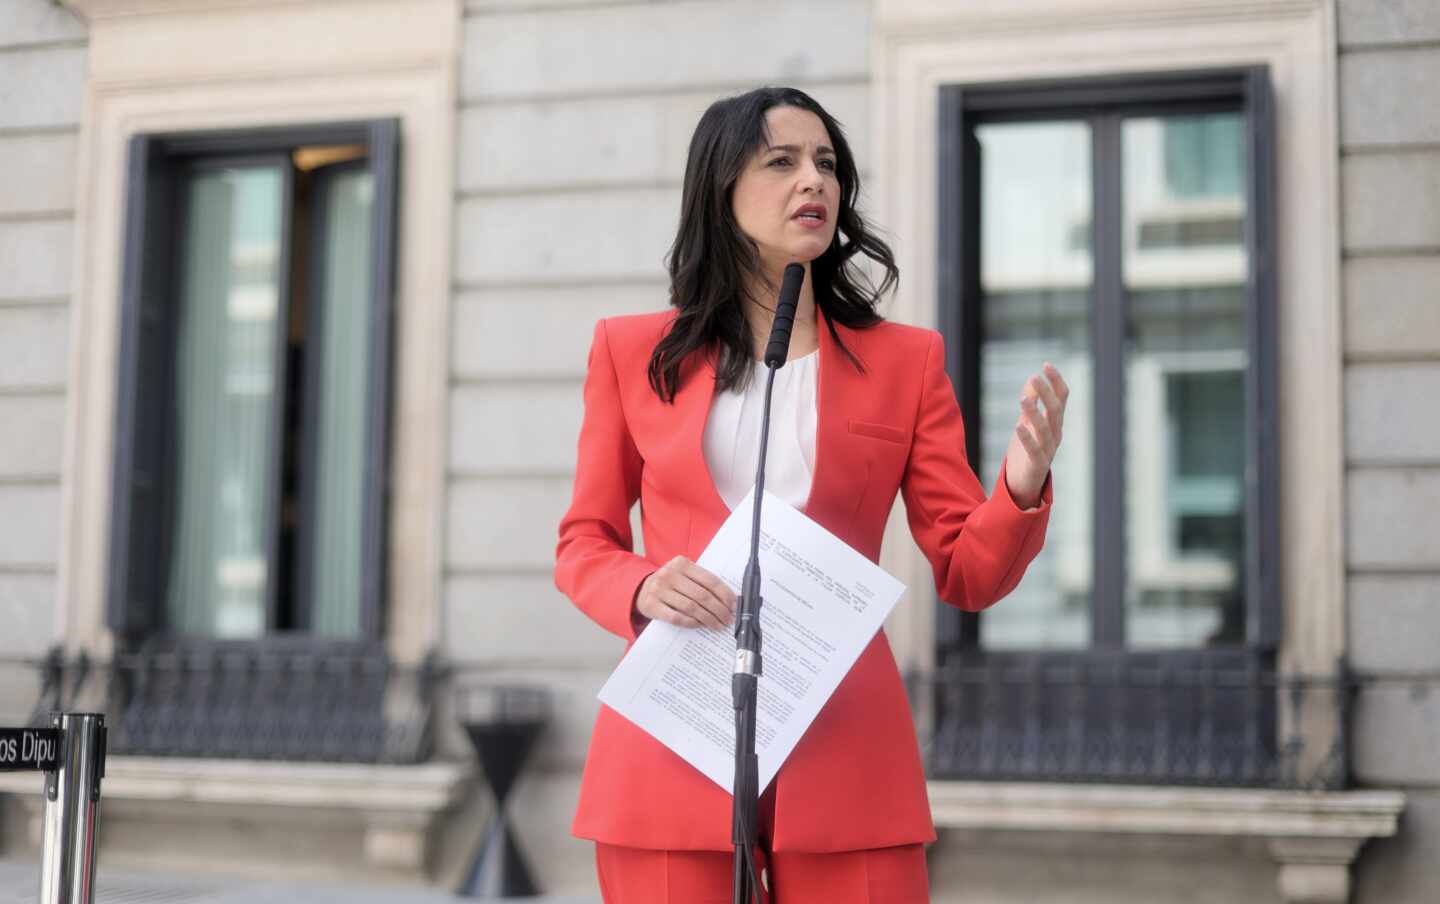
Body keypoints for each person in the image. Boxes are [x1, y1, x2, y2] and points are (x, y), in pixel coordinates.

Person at [555, 86, 1068, 904]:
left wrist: (1020, 486)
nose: (814, 183)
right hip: (673, 739)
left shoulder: (905, 362)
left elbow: (970, 572)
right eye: (783, 162)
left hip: (846, 747)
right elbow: (583, 542)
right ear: (721, 190)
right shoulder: (630, 354)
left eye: (827, 164)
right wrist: (642, 585)